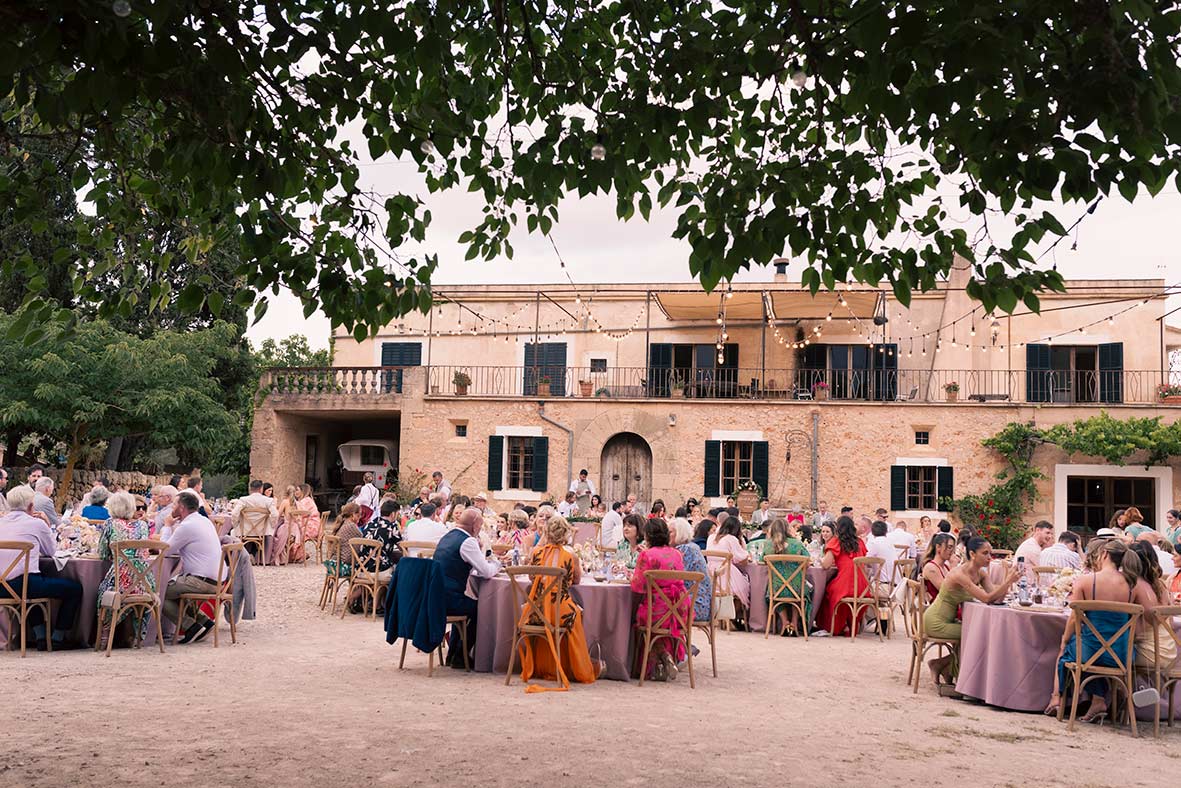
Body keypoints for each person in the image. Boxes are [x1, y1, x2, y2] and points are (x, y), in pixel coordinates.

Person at [1044, 540, 1154, 721]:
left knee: (1067, 651)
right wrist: (1134, 632)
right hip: (1121, 653)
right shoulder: (1133, 584)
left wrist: (1064, 640)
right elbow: (1151, 615)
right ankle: (1098, 700)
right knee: (1094, 648)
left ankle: (1056, 699)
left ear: (1104, 555)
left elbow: (1074, 618)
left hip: (1089, 652)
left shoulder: (1085, 581)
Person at [515, 515, 599, 689]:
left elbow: (531, 576)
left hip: (535, 611)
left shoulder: (536, 553)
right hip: (560, 609)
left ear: (546, 532)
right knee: (575, 616)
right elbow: (576, 581)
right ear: (566, 533)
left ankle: (545, 667)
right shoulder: (571, 556)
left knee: (550, 619)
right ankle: (574, 668)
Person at [925, 537, 1021, 686]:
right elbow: (986, 598)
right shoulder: (959, 574)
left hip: (952, 620)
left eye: (990, 553)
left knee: (984, 633)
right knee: (979, 635)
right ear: (972, 554)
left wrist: (1008, 583)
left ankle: (945, 667)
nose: (990, 558)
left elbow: (996, 599)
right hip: (936, 621)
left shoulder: (981, 574)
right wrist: (1007, 581)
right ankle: (942, 666)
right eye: (985, 553)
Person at [0, 485, 83, 649]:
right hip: (25, 584)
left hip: (1, 586)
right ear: (31, 506)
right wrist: (45, 523)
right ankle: (57, 637)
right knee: (74, 589)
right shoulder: (36, 524)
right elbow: (51, 551)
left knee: (31, 584)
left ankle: (40, 636)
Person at [433, 508, 500, 667]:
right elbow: (487, 572)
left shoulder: (448, 536)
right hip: (449, 599)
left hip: (436, 596)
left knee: (467, 606)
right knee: (481, 609)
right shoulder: (467, 541)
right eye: (480, 525)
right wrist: (497, 563)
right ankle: (461, 655)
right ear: (476, 525)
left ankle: (454, 654)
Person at [630, 518, 690, 681]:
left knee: (640, 617)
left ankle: (659, 658)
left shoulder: (646, 555)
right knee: (656, 619)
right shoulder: (677, 554)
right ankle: (664, 658)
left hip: (657, 611)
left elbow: (638, 587)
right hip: (678, 610)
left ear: (647, 535)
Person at [160, 491, 223, 644]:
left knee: (161, 592)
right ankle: (204, 622)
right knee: (176, 586)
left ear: (181, 507)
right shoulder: (203, 520)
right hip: (217, 579)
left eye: (174, 504)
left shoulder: (187, 526)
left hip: (201, 581)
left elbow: (165, 550)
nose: (171, 508)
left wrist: (167, 526)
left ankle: (191, 626)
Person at [95, 491, 155, 648]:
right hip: (144, 583)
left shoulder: (110, 523)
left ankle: (105, 637)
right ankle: (137, 637)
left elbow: (102, 554)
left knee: (102, 592)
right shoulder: (143, 525)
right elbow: (144, 553)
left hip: (120, 581)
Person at [816, 516, 869, 637]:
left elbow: (826, 565)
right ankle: (849, 624)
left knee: (826, 591)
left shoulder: (836, 542)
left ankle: (836, 626)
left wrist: (820, 559)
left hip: (845, 584)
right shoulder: (860, 542)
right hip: (862, 586)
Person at [1128, 541, 1177, 672]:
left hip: (1149, 652)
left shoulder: (1134, 586)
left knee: (1107, 652)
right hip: (1169, 651)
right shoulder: (1160, 585)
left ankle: (1119, 691)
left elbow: (1136, 631)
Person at [762, 518, 812, 634]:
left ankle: (785, 622)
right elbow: (808, 561)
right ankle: (794, 623)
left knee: (776, 590)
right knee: (800, 591)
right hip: (796, 588)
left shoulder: (768, 544)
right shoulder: (797, 544)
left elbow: (761, 560)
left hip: (776, 588)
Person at [669, 516, 712, 623]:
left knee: (654, 608)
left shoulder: (685, 550)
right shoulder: (691, 547)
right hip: (695, 601)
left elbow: (672, 577)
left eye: (670, 532)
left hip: (695, 604)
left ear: (680, 533)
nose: (666, 535)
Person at [706, 516, 750, 615]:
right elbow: (741, 557)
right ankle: (731, 617)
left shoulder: (711, 537)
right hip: (725, 573)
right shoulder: (731, 539)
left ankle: (723, 616)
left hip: (711, 575)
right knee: (745, 588)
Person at [362, 499, 402, 581]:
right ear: (393, 514)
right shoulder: (391, 527)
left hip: (362, 568)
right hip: (379, 570)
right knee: (399, 571)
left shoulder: (370, 523)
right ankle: (383, 593)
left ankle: (372, 593)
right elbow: (403, 547)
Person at [918, 533, 956, 602]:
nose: (952, 552)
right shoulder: (931, 567)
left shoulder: (945, 566)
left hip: (948, 604)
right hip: (939, 608)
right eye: (949, 547)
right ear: (938, 547)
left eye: (953, 548)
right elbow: (947, 591)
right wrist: (954, 567)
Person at [863, 520, 897, 585]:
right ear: (886, 532)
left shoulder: (873, 543)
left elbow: (863, 561)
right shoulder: (890, 543)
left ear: (872, 532)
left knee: (863, 586)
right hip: (897, 586)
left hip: (884, 586)